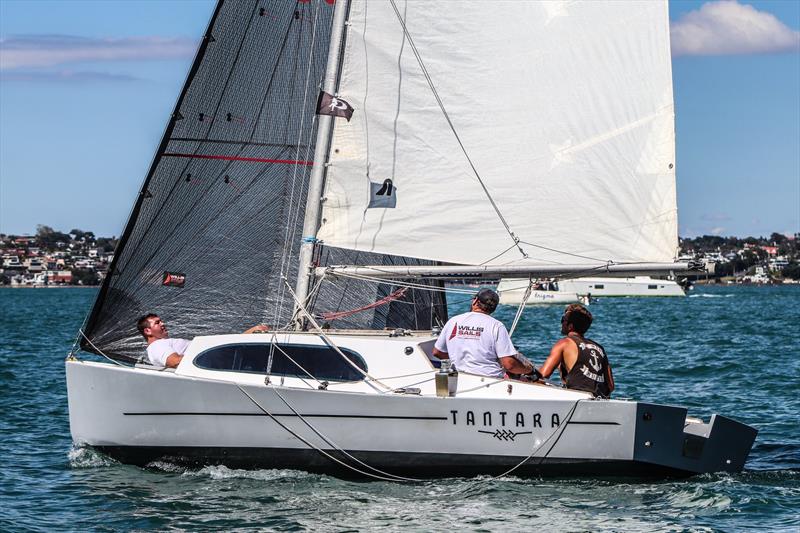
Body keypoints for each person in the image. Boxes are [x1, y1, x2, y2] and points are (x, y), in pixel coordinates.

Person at [432, 288, 534, 378]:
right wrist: (530, 370)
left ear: (475, 301)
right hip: (490, 380)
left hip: (460, 378)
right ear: (493, 308)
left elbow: (437, 352)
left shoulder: (453, 321)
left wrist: (456, 361)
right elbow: (509, 365)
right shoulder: (496, 326)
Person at [136, 313, 269, 368]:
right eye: (157, 323)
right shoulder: (157, 346)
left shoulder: (163, 343)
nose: (163, 323)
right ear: (148, 331)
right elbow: (175, 361)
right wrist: (208, 353)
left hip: (220, 356)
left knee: (258, 332)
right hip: (215, 360)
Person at [537, 304, 614, 397]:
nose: (561, 323)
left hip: (578, 400)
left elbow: (543, 375)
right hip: (601, 400)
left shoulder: (564, 343)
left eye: (563, 320)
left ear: (570, 326)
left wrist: (526, 371)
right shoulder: (599, 348)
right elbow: (611, 386)